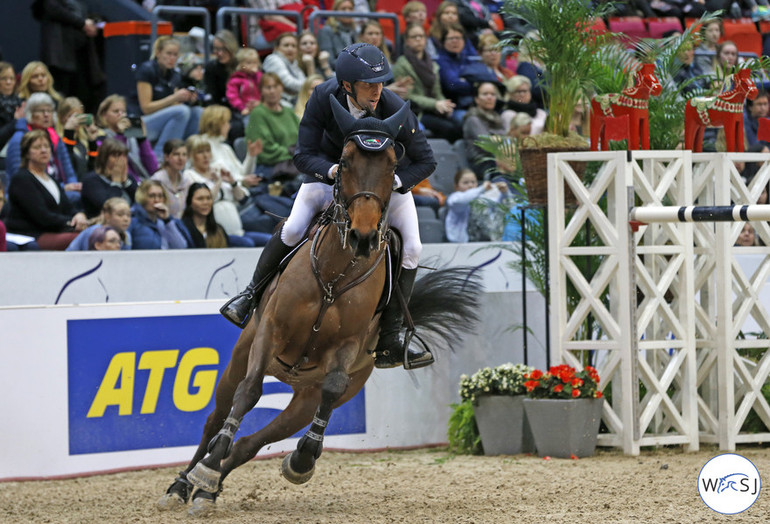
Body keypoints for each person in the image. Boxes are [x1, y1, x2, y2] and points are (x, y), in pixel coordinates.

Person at [220, 43, 437, 370]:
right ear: (347, 85)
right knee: (293, 228)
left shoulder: (395, 108)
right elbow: (302, 153)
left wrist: (390, 182)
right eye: (368, 85)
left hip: (381, 189)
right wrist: (334, 171)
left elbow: (426, 161)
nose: (377, 92)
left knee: (414, 249)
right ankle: (249, 296)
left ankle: (393, 335)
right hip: (330, 180)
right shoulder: (323, 98)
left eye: (380, 84)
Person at [6, 129, 88, 250]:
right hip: (32, 234)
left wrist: (79, 215)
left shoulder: (51, 179)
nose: (43, 150)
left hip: (54, 230)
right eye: (37, 147)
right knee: (86, 237)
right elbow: (42, 216)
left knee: (98, 232)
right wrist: (71, 222)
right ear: (27, 153)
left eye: (46, 146)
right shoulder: (22, 179)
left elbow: (68, 207)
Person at [6, 92, 82, 208]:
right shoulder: (19, 140)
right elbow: (19, 181)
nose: (46, 115)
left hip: (59, 189)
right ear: (30, 113)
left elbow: (69, 171)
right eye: (41, 111)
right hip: (31, 194)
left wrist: (74, 185)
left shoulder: (55, 137)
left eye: (49, 111)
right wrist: (62, 188)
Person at [133, 36, 203, 159]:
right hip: (136, 124)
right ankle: (160, 158)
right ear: (158, 53)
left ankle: (189, 156)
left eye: (175, 55)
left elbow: (173, 107)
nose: (172, 58)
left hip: (160, 120)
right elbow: (146, 108)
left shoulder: (174, 75)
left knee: (197, 112)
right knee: (182, 111)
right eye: (168, 54)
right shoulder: (146, 69)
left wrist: (186, 99)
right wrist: (174, 97)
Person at [392, 23, 462, 142]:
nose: (418, 39)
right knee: (450, 129)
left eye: (421, 36)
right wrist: (435, 104)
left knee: (460, 124)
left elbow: (437, 91)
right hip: (417, 112)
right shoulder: (402, 64)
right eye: (414, 37)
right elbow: (407, 96)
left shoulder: (432, 64)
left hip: (434, 109)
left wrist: (444, 104)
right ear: (407, 41)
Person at [35, 0, 105, 113]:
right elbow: (52, 8)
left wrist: (93, 22)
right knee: (61, 97)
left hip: (81, 56)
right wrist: (82, 24)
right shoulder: (52, 5)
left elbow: (83, 13)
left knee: (85, 96)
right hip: (60, 58)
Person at [246, 73, 301, 191]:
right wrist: (294, 154)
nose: (272, 91)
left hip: (294, 162)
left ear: (281, 88)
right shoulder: (258, 114)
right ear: (261, 91)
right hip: (272, 167)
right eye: (268, 87)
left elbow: (302, 137)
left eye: (275, 86)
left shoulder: (288, 111)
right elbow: (264, 148)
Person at [436, 25, 495, 125]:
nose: (455, 41)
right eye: (451, 38)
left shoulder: (470, 59)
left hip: (478, 105)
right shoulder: (441, 62)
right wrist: (474, 83)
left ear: (464, 41)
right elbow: (452, 85)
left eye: (458, 38)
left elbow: (488, 79)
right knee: (473, 122)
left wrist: (465, 81)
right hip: (456, 108)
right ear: (443, 42)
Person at [97, 94, 158, 182]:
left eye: (123, 111)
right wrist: (120, 134)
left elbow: (153, 169)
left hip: (143, 182)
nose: (121, 115)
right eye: (116, 111)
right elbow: (116, 164)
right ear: (104, 115)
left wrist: (142, 140)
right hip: (121, 182)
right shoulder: (101, 137)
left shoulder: (131, 137)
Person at [445, 168, 509, 242]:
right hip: (462, 245)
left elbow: (498, 206)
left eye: (473, 182)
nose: (470, 185)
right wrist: (482, 189)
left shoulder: (482, 198)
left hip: (485, 242)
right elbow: (462, 200)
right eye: (465, 183)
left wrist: (504, 193)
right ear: (456, 186)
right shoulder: (455, 198)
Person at [81, 138, 137, 219]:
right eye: (115, 156)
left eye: (124, 156)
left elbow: (141, 201)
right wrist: (116, 182)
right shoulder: (91, 180)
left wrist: (125, 182)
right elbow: (109, 206)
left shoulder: (129, 178)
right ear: (104, 158)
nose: (121, 160)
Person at [128, 179, 191, 250]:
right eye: (152, 196)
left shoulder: (166, 222)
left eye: (160, 196)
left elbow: (180, 247)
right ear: (142, 197)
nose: (157, 200)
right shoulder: (132, 220)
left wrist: (167, 221)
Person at [463, 81, 507, 180]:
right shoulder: (473, 119)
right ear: (477, 99)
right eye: (485, 94)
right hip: (483, 163)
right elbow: (488, 145)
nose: (489, 97)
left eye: (492, 94)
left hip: (501, 159)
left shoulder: (498, 118)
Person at [57, 96, 100, 181]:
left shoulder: (81, 142)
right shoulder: (58, 141)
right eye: (70, 116)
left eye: (78, 116)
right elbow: (68, 167)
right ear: (61, 118)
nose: (75, 120)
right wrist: (68, 132)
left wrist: (92, 143)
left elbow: (92, 171)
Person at [66, 197, 132, 251]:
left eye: (129, 215)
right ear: (107, 215)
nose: (126, 219)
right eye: (120, 215)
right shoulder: (94, 232)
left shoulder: (127, 235)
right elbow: (86, 257)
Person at [180, 182, 231, 248]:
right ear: (190, 202)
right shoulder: (182, 228)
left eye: (208, 198)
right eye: (200, 199)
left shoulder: (219, 230)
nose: (205, 202)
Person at [262, 32, 306, 105]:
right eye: (286, 45)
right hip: (277, 103)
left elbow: (305, 83)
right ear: (277, 48)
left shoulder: (293, 63)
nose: (290, 49)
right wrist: (305, 87)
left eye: (293, 46)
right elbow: (289, 83)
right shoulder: (273, 59)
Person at [317, 0, 358, 70]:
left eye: (350, 9)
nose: (347, 12)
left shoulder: (355, 31)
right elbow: (329, 62)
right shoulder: (326, 31)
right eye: (343, 9)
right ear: (335, 11)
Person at [226, 47, 263, 125]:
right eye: (249, 63)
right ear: (241, 64)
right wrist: (242, 108)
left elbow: (263, 88)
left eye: (255, 63)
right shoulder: (235, 80)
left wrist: (256, 75)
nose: (253, 66)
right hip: (243, 110)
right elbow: (232, 96)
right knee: (249, 121)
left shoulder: (259, 76)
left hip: (259, 107)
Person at [0, 62, 23, 156]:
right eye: (3, 78)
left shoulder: (21, 101)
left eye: (12, 78)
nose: (8, 82)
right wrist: (15, 121)